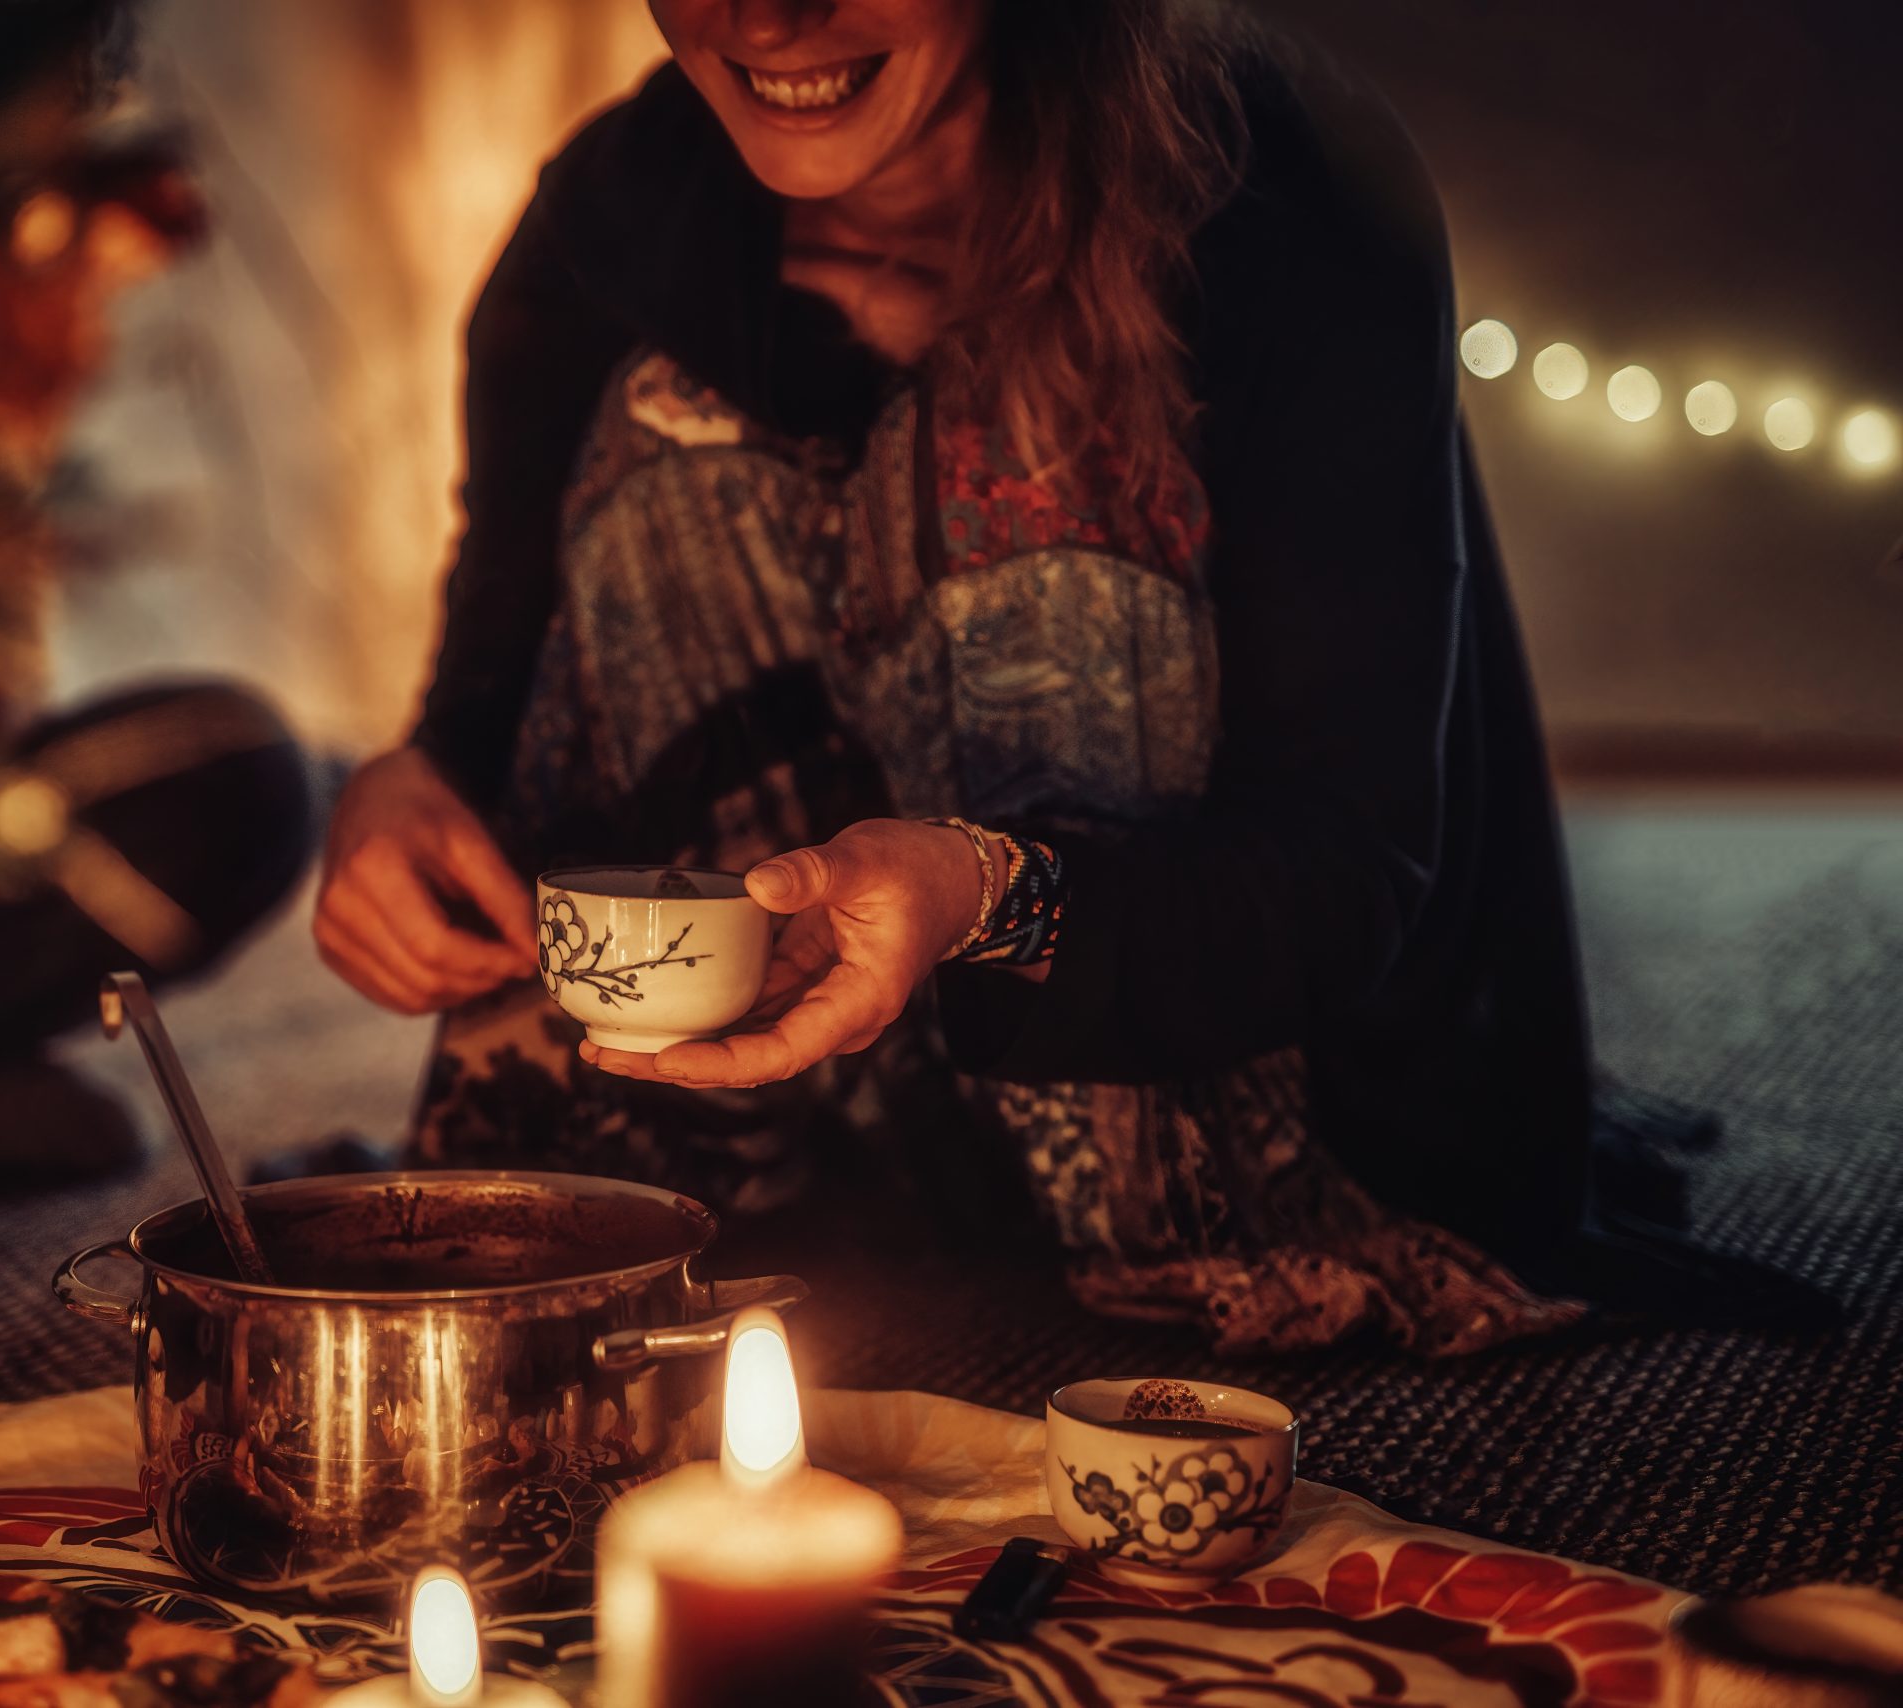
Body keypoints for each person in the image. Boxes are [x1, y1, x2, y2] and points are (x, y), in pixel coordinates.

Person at [313, 0, 1822, 1353]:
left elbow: (1349, 867)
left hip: (1215, 1105)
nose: (769, 13)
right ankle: (754, 1159)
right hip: (752, 1109)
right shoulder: (607, 221)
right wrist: (408, 784)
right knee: (660, 423)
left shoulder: (1283, 193)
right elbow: (488, 692)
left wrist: (984, 896)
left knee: (1011, 434)